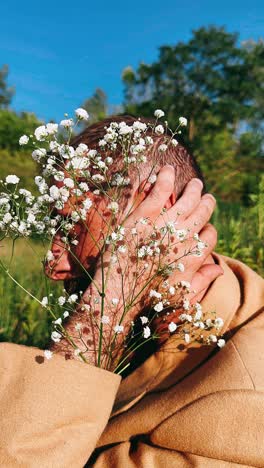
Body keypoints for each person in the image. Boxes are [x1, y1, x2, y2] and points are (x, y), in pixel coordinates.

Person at [0, 116, 264, 467]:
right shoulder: (142, 323)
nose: (52, 267)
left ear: (160, 214)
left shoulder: (246, 397)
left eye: (73, 229)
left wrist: (114, 295)